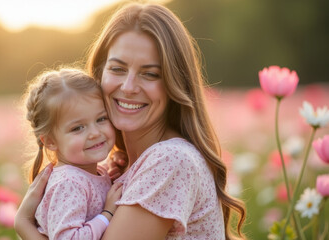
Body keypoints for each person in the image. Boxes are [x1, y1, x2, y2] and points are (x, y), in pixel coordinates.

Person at [15, 3, 246, 240]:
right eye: (117, 69)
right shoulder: (116, 169)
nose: (128, 87)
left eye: (150, 74)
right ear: (99, 73)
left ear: (174, 83)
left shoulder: (170, 161)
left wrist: (25, 226)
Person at [20, 68, 123, 239]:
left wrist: (109, 177)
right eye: (78, 128)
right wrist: (107, 214)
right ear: (51, 142)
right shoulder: (68, 183)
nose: (95, 133)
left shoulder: (84, 173)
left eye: (101, 119)